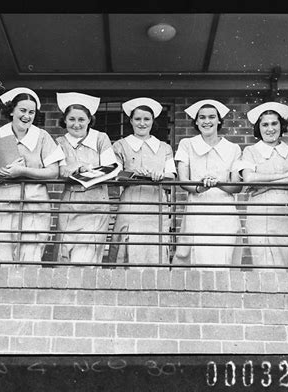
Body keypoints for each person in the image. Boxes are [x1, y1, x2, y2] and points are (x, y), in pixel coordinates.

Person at [0, 87, 64, 264]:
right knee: (4, 249)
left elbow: (54, 171)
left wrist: (23, 171)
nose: (27, 116)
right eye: (22, 110)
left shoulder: (42, 136)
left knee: (31, 250)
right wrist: (1, 172)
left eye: (31, 112)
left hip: (35, 200)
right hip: (5, 198)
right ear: (12, 110)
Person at [173, 99, 243, 268]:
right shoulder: (187, 144)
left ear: (219, 120)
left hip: (224, 211)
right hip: (197, 208)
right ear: (196, 121)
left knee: (223, 257)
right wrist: (200, 187)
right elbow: (182, 180)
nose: (207, 121)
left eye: (212, 117)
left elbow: (237, 186)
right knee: (196, 257)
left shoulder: (233, 148)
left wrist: (218, 183)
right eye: (202, 117)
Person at [108, 97, 176, 264]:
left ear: (153, 121)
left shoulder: (164, 147)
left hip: (156, 205)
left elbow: (172, 176)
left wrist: (160, 175)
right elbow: (114, 174)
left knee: (155, 248)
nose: (142, 123)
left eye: (147, 119)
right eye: (137, 119)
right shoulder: (120, 145)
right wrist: (131, 173)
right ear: (131, 121)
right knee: (127, 245)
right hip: (130, 204)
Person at [240, 101, 288, 269]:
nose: (270, 129)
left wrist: (268, 185)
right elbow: (249, 178)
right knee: (264, 262)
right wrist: (284, 176)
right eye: (265, 124)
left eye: (274, 123)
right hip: (260, 212)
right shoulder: (250, 151)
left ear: (281, 125)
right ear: (259, 128)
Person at [55, 92, 118, 263]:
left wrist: (80, 167)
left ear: (89, 120)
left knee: (87, 258)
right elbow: (60, 171)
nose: (76, 124)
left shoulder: (100, 138)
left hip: (96, 204)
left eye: (81, 119)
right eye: (72, 119)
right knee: (64, 255)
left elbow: (111, 170)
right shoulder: (59, 142)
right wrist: (72, 168)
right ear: (65, 120)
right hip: (70, 204)